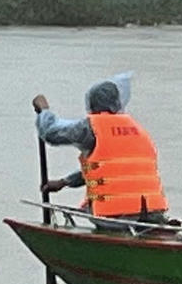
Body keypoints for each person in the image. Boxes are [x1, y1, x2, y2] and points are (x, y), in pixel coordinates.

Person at [33, 73, 170, 228]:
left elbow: (50, 133)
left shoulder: (90, 128)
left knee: (89, 208)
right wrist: (65, 182)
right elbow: (110, 172)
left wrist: (44, 110)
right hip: (154, 213)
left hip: (117, 217)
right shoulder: (137, 130)